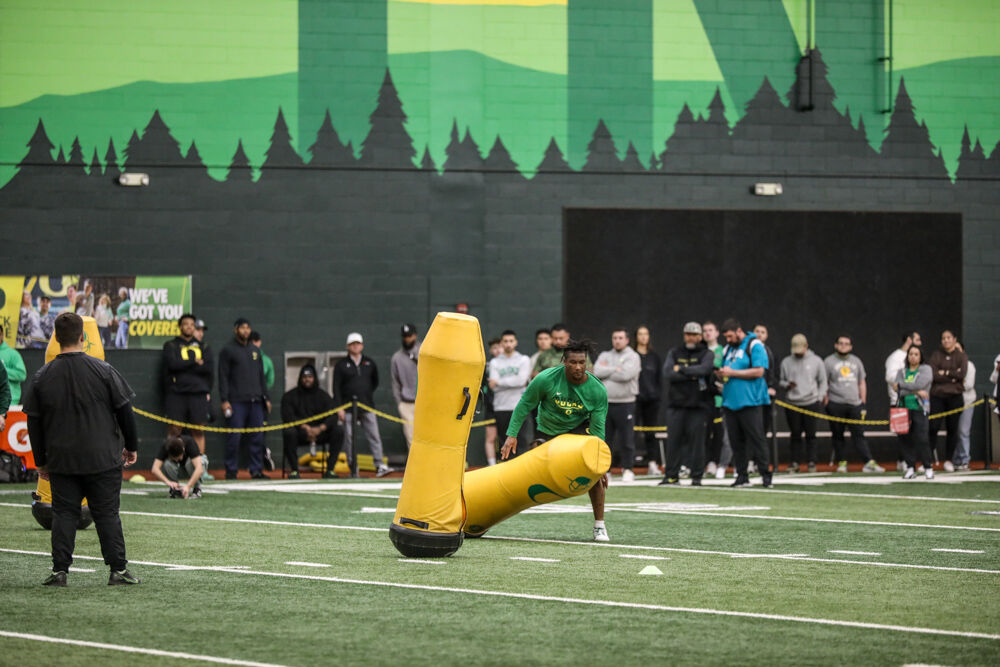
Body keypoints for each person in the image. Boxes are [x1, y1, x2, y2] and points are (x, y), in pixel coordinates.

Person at [23, 312, 140, 586]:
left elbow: (34, 424)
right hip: (103, 458)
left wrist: (41, 461)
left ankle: (59, 571)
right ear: (83, 337)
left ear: (55, 338)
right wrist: (131, 447)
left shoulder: (42, 377)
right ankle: (118, 570)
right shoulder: (104, 370)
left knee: (64, 513)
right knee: (107, 514)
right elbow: (126, 412)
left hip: (62, 460)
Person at [501, 339, 610, 541]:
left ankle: (599, 526)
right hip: (548, 429)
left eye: (582, 362)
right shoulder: (545, 379)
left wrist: (599, 463)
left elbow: (598, 430)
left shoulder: (597, 390)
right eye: (573, 362)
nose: (578, 367)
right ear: (564, 362)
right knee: (535, 456)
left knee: (594, 473)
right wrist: (511, 434)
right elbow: (524, 405)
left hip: (578, 430)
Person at [716, 319, 772, 488]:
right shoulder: (728, 349)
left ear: (739, 331)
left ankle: (765, 475)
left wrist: (733, 372)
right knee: (736, 442)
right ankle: (741, 475)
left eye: (730, 336)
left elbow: (759, 371)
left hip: (750, 401)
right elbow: (726, 370)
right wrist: (722, 374)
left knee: (757, 439)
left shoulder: (754, 345)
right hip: (730, 402)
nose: (728, 340)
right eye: (726, 337)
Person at [660, 322, 714, 485]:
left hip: (699, 405)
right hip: (676, 405)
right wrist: (692, 373)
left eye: (694, 335)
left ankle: (697, 476)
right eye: (688, 334)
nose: (690, 337)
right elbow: (668, 373)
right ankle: (671, 475)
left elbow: (704, 370)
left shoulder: (707, 353)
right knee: (673, 441)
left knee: (698, 443)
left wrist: (681, 369)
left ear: (700, 336)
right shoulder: (674, 352)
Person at [218, 317, 271, 480]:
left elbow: (261, 377)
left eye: (248, 328)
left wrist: (266, 398)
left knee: (257, 437)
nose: (246, 331)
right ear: (236, 330)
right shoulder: (228, 350)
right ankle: (231, 470)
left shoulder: (255, 351)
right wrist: (224, 400)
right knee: (234, 437)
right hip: (236, 401)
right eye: (242, 328)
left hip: (256, 402)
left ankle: (256, 470)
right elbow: (223, 376)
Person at [334, 332, 392, 478]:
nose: (355, 346)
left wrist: (364, 394)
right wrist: (339, 407)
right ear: (348, 346)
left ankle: (380, 465)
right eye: (353, 344)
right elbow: (336, 387)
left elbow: (374, 382)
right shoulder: (341, 365)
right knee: (349, 438)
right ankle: (354, 468)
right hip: (347, 407)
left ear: (362, 345)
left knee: (374, 435)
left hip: (366, 405)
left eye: (358, 343)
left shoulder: (369, 363)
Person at [823, 335, 883, 473]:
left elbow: (861, 381)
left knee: (859, 434)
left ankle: (868, 462)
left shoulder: (856, 361)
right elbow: (824, 382)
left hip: (854, 404)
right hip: (835, 404)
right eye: (841, 343)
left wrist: (863, 401)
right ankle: (842, 463)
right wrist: (826, 400)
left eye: (846, 344)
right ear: (836, 345)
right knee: (838, 435)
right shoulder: (829, 361)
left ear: (850, 347)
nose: (844, 346)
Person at [161, 313, 213, 465]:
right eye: (186, 324)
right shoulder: (171, 345)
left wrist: (184, 366)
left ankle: (201, 466)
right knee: (175, 429)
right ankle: (170, 464)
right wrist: (194, 362)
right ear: (180, 327)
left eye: (192, 324)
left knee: (198, 430)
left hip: (198, 394)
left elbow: (208, 369)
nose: (189, 327)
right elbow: (172, 365)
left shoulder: (205, 346)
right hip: (177, 394)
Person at [594, 328, 641, 482]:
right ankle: (605, 470)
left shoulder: (633, 356)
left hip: (625, 403)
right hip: (606, 404)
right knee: (605, 439)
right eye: (615, 337)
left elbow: (626, 375)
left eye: (620, 338)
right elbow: (597, 371)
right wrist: (615, 369)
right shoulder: (605, 355)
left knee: (626, 439)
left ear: (627, 340)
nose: (617, 340)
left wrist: (607, 373)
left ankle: (627, 469)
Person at [281, 364, 342, 479]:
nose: (307, 379)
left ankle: (330, 470)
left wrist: (321, 428)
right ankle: (294, 470)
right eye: (304, 377)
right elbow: (287, 417)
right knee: (289, 432)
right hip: (301, 432)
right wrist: (305, 427)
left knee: (338, 431)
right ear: (300, 378)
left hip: (320, 432)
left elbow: (333, 416)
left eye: (310, 376)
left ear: (314, 378)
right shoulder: (290, 396)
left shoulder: (323, 396)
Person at [779, 334, 827, 473]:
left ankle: (812, 462)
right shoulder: (786, 362)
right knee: (795, 434)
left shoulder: (817, 361)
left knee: (811, 434)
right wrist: (787, 385)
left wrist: (820, 396)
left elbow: (823, 380)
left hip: (811, 402)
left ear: (806, 346)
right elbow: (780, 380)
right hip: (792, 403)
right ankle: (794, 462)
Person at [488, 330, 533, 460]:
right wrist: (513, 382)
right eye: (505, 341)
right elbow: (492, 387)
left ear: (516, 342)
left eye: (511, 341)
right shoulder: (495, 362)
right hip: (500, 407)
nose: (508, 344)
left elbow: (521, 380)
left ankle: (523, 473)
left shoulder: (523, 359)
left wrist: (499, 382)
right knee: (504, 441)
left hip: (519, 406)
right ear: (502, 343)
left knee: (521, 441)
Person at [892, 345, 935, 480]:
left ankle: (928, 467)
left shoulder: (926, 369)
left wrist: (904, 386)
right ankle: (910, 467)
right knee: (905, 439)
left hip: (919, 408)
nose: (913, 356)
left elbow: (920, 384)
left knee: (922, 438)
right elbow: (896, 389)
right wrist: (915, 391)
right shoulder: (902, 371)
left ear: (921, 356)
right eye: (911, 354)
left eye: (916, 354)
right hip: (903, 408)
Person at [928, 330, 968, 470]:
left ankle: (949, 461)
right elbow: (933, 375)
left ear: (954, 339)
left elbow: (962, 374)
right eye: (943, 338)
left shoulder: (961, 356)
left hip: (955, 397)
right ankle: (929, 461)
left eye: (948, 338)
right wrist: (952, 375)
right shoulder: (936, 355)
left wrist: (944, 373)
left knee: (953, 428)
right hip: (937, 396)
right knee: (933, 427)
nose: (946, 340)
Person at [885, 331, 922, 471]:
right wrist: (910, 385)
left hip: (916, 402)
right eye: (917, 339)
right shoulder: (896, 358)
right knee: (903, 434)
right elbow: (890, 377)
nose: (920, 343)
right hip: (899, 402)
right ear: (909, 340)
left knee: (915, 433)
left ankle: (908, 460)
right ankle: (904, 461)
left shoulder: (920, 360)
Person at [702, 321, 732, 480]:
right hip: (704, 398)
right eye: (704, 330)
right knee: (704, 433)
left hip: (720, 398)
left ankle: (717, 461)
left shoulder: (723, 350)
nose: (707, 333)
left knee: (720, 433)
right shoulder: (701, 350)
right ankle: (707, 462)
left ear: (717, 333)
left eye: (710, 330)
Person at [634, 325, 662, 475]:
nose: (643, 337)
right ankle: (628, 465)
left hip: (652, 401)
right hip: (635, 399)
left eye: (646, 334)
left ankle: (652, 463)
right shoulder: (632, 355)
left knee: (651, 432)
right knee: (631, 432)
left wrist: (656, 395)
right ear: (636, 337)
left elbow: (659, 380)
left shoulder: (654, 357)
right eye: (640, 334)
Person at [391, 323, 420, 451]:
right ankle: (417, 469)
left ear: (415, 335)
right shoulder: (397, 358)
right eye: (405, 336)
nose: (407, 339)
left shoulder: (424, 351)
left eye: (409, 336)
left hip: (424, 403)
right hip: (406, 403)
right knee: (411, 438)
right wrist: (399, 404)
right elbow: (395, 382)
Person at [752, 324, 778, 442]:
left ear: (766, 336)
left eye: (762, 332)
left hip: (765, 396)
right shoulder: (748, 350)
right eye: (757, 331)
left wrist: (771, 387)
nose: (759, 334)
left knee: (763, 428)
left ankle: (758, 459)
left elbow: (772, 372)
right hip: (751, 395)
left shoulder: (769, 352)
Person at [953, 348, 975, 472]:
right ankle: (956, 460)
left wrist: (951, 382)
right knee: (955, 432)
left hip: (967, 402)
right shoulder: (950, 365)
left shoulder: (969, 365)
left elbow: (968, 385)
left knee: (963, 431)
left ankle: (965, 460)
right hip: (952, 403)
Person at [482, 337, 502, 465]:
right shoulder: (487, 367)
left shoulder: (514, 364)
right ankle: (492, 466)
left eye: (499, 346)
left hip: (508, 407)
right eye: (494, 348)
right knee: (491, 437)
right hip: (491, 408)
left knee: (506, 436)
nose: (498, 350)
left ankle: (506, 463)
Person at [0, 323, 27, 405]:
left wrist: (2, 371)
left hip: (9, 403)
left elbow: (22, 374)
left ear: (1, 335)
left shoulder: (13, 354)